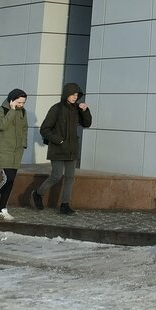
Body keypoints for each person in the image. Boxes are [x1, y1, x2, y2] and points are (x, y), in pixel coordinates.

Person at [32, 82, 92, 215]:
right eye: (72, 94)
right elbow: (44, 129)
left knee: (70, 177)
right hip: (58, 148)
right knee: (56, 175)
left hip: (72, 149)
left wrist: (85, 111)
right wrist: (58, 140)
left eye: (77, 95)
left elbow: (87, 123)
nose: (75, 97)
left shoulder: (77, 109)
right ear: (66, 94)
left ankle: (65, 205)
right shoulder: (56, 109)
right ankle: (38, 193)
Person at [0, 88, 28, 221]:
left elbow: (24, 128)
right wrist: (12, 110)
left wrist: (23, 144)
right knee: (7, 179)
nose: (21, 105)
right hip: (3, 150)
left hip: (16, 152)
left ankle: (2, 209)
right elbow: (1, 125)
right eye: (19, 102)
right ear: (12, 100)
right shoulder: (0, 110)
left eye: (23, 102)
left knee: (11, 181)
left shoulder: (23, 111)